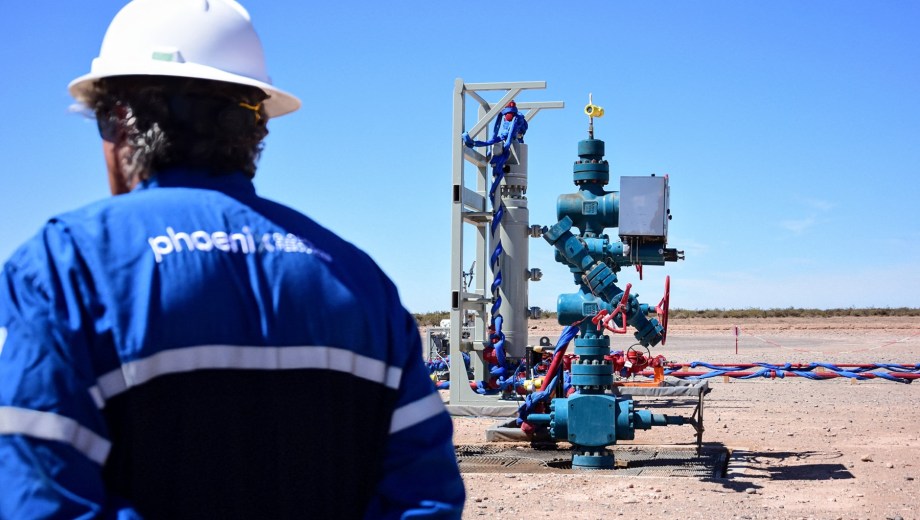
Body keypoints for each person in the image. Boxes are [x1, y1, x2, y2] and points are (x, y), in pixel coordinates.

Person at [0, 1, 465, 518]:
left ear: (119, 121)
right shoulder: (360, 281)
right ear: (255, 128)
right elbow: (426, 498)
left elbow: (40, 500)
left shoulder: (66, 267)